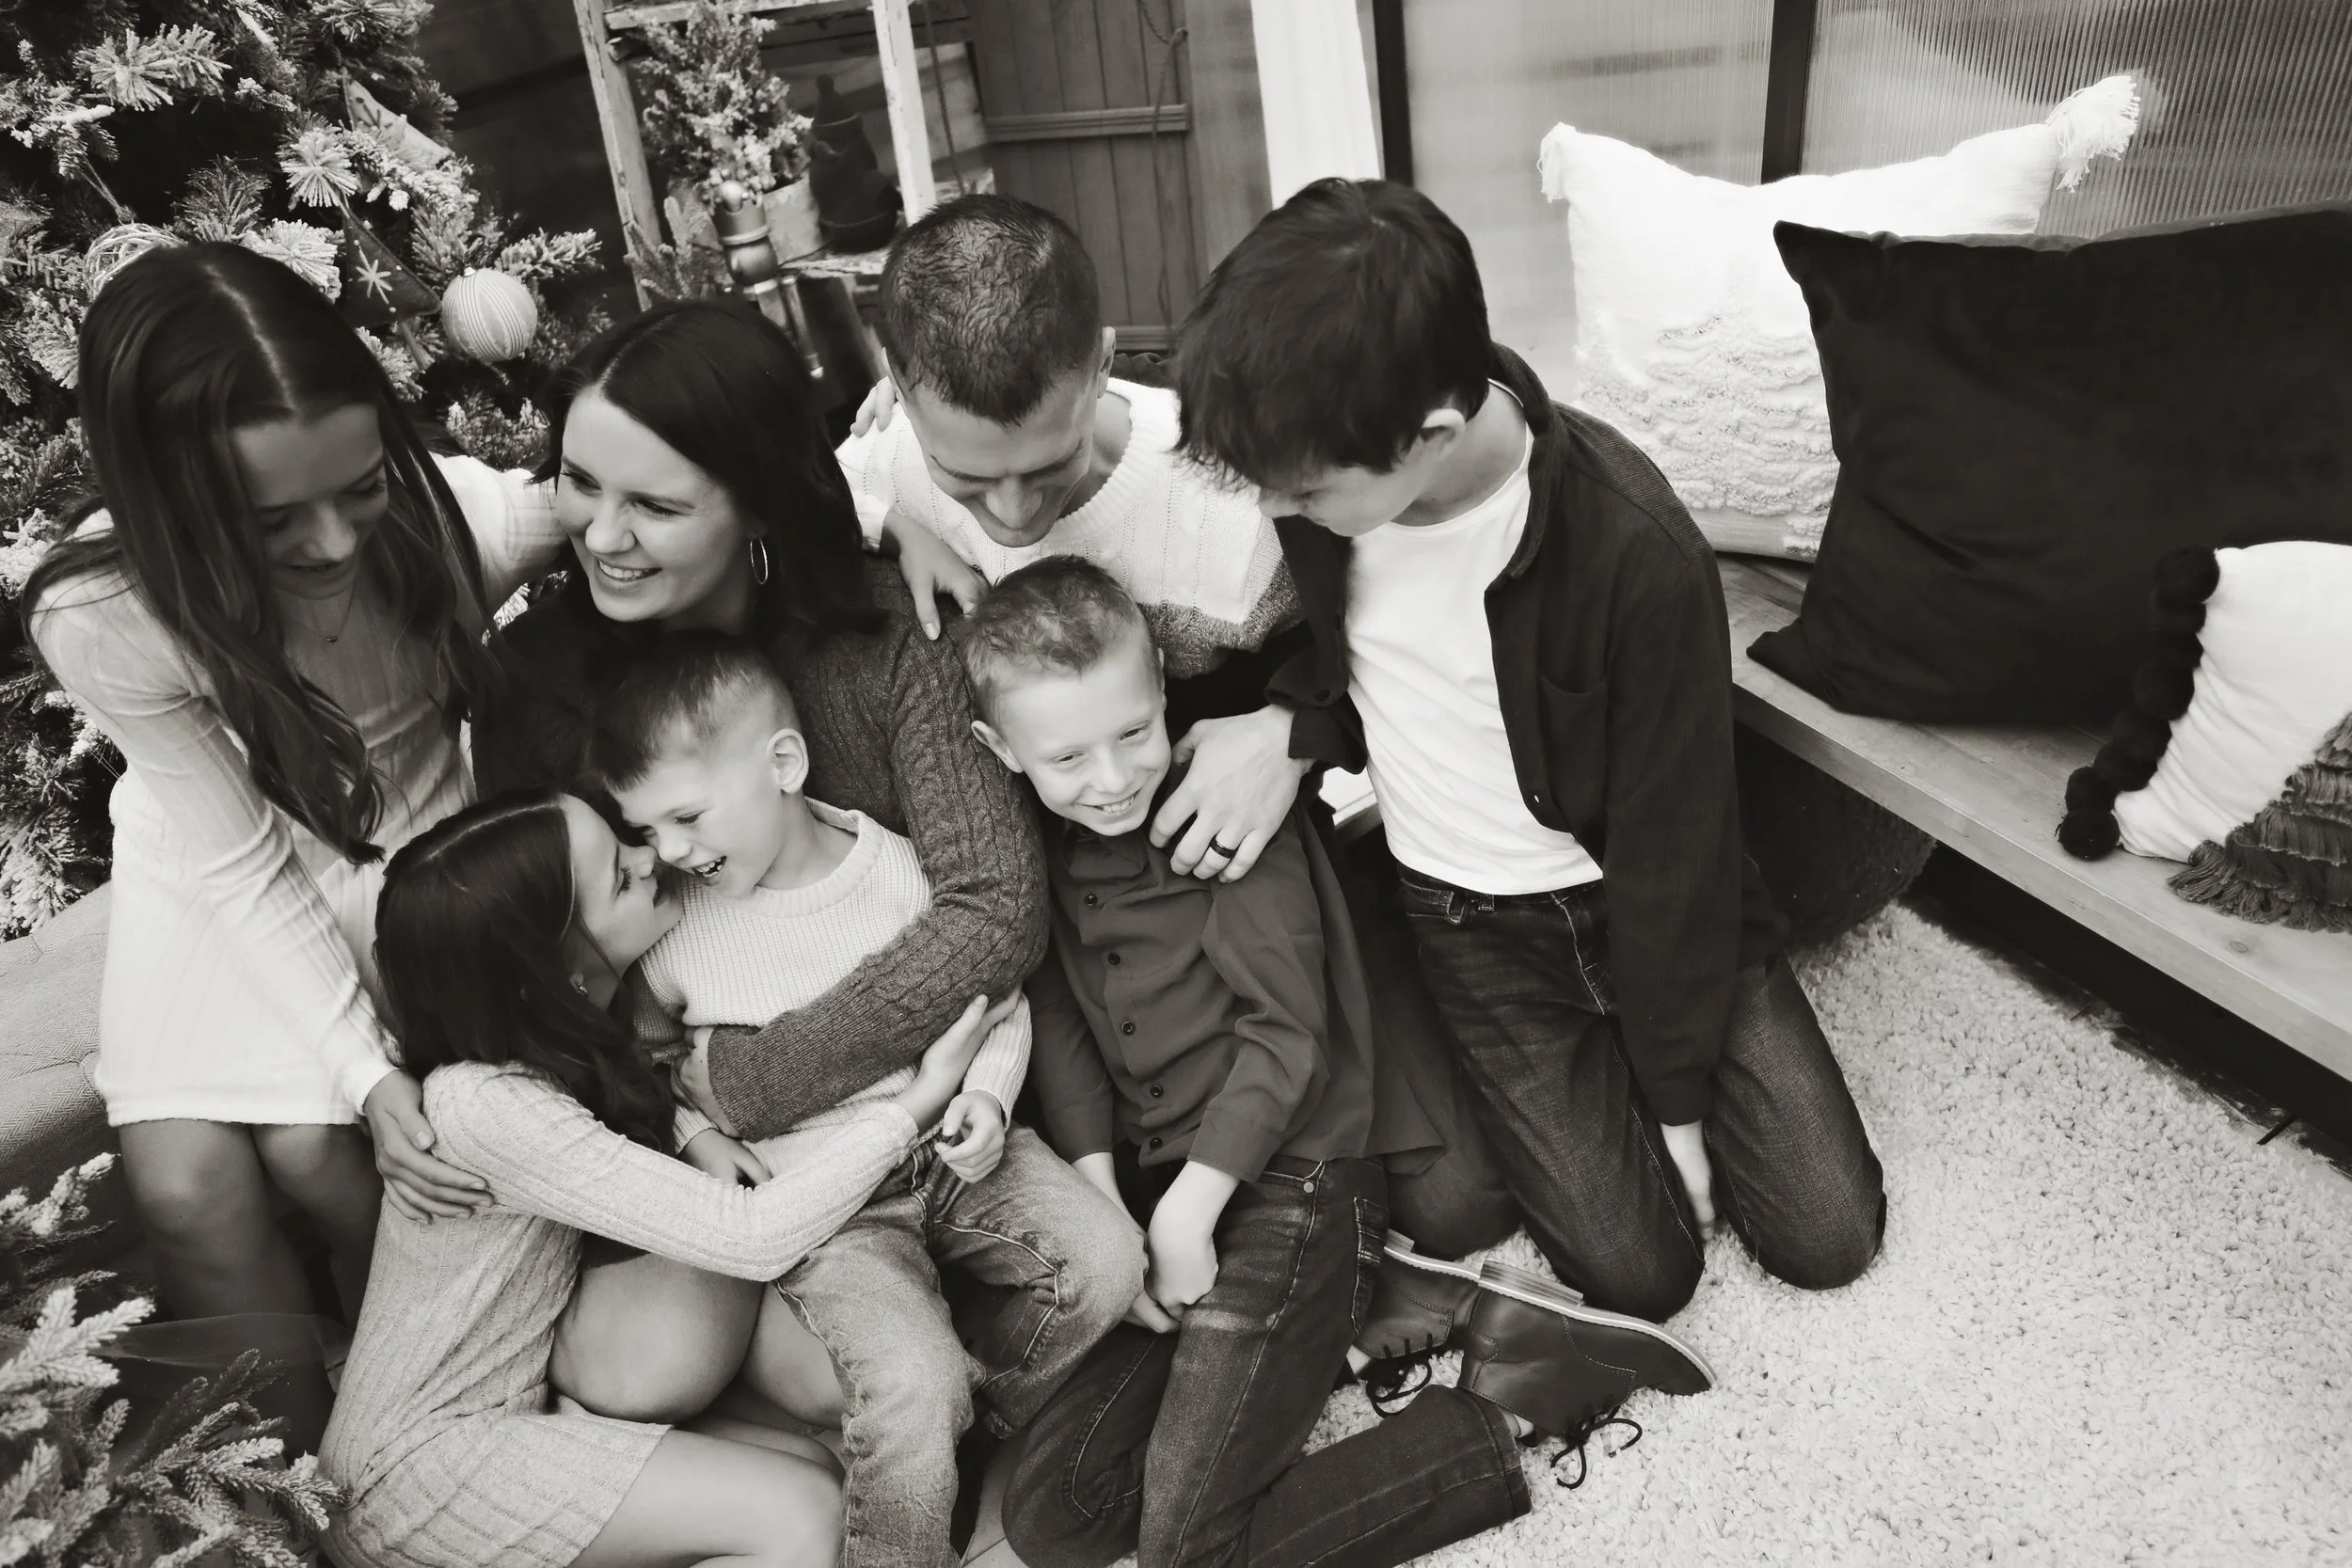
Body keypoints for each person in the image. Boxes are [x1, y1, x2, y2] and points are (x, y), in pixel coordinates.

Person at [1168, 178, 1887, 1327]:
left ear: (1433, 436)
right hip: (1468, 928)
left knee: (1825, 1234)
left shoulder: (1634, 552)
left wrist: (1679, 1105)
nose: (1270, 506)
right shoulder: (1325, 476)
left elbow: (1677, 862)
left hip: (1644, 896)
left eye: (1297, 487)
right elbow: (1384, 668)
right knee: (1640, 1274)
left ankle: (1658, 1072)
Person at [960, 559, 1713, 1568]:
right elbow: (1059, 1027)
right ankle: (1360, 1323)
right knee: (1054, 1515)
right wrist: (1112, 1212)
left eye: (1133, 732)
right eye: (1067, 757)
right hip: (1160, 1199)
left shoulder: (1216, 816)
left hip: (1294, 1180)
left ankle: (1504, 1407)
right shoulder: (1040, 858)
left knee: (1191, 1550)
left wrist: (1186, 1212)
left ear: (1165, 699)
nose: (1111, 777)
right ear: (1000, 752)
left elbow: (1289, 1034)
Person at [843, 190, 1521, 1277]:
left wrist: (1294, 732)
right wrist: (894, 518)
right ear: (894, 388)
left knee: (1459, 1200)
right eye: (970, 479)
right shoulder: (888, 462)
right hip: (1064, 876)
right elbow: (805, 488)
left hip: (1233, 848)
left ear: (1104, 363)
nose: (1010, 514)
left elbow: (1400, 654)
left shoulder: (1229, 505)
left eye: (1046, 465)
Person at [24, 244, 547, 1443]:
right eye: (272, 519)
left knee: (319, 1149)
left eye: (358, 487)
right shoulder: (103, 607)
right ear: (169, 501)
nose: (330, 543)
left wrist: (900, 507)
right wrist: (363, 1066)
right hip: (207, 860)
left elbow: (667, 486)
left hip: (382, 847)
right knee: (185, 1181)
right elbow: (233, 858)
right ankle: (278, 1496)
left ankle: (419, 1435)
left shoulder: (442, 517)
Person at [567, 632, 1142, 1568]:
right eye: (647, 831)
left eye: (686, 816)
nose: (670, 850)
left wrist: (992, 1097)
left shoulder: (906, 872)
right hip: (831, 1207)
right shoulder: (677, 931)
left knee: (1105, 1262)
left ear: (783, 764)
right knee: (910, 1380)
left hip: (959, 1155)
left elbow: (994, 1004)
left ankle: (983, 1414)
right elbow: (644, 1066)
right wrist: (697, 1132)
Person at [326, 787, 1012, 1568]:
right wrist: (916, 1103)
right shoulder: (483, 1104)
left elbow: (663, 1103)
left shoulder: (558, 1046)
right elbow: (749, 1239)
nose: (651, 857)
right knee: (802, 1517)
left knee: (817, 1473)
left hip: (524, 1411)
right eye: (620, 876)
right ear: (558, 972)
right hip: (416, 1473)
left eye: (624, 841)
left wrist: (698, 1130)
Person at [473, 297, 1043, 1151]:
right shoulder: (530, 680)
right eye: (581, 481)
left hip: (964, 1123)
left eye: (654, 507)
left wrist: (764, 1075)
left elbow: (996, 909)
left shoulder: (888, 629)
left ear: (762, 503)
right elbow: (549, 980)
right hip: (705, 1161)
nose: (599, 534)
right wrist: (692, 1126)